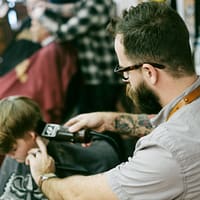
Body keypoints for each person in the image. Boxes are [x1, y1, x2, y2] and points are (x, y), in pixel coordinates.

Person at [26, 2, 200, 200]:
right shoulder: (189, 111)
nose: (126, 81)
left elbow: (77, 195)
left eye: (125, 71)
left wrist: (43, 176)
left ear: (149, 72)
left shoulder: (166, 152)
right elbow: (174, 123)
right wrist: (110, 120)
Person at [0, 96, 147, 199]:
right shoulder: (13, 158)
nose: (11, 156)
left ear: (31, 135)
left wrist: (45, 177)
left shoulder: (95, 155)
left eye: (12, 149)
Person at [31, 0, 125, 114]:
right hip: (94, 74)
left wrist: (40, 16)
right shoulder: (91, 3)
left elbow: (62, 33)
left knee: (101, 117)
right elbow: (72, 8)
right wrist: (47, 6)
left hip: (102, 74)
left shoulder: (97, 4)